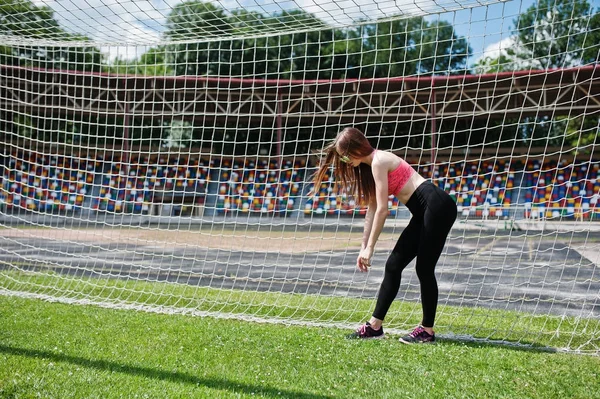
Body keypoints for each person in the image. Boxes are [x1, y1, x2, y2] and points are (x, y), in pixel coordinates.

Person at [312, 127, 457, 343]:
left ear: (355, 149)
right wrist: (363, 247)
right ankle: (374, 327)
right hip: (424, 211)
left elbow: (382, 210)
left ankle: (427, 330)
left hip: (436, 205)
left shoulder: (379, 161)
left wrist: (371, 248)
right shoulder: (372, 167)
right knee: (393, 265)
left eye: (344, 156)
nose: (344, 160)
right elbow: (372, 210)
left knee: (424, 269)